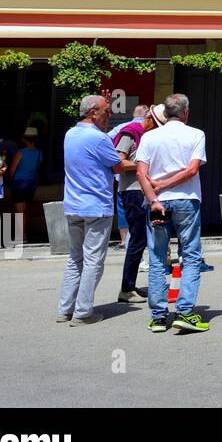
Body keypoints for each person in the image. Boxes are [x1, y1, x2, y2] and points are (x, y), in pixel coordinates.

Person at [134, 93, 210, 334]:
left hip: (157, 203)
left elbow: (140, 173)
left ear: (165, 113)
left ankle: (158, 317)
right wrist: (165, 185)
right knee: (190, 255)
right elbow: (191, 170)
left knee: (157, 258)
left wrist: (154, 197)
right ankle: (185, 311)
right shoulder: (196, 134)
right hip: (187, 200)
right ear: (185, 112)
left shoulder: (149, 137)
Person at [57, 95, 122, 326]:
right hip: (96, 206)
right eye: (106, 111)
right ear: (93, 112)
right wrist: (143, 163)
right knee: (93, 260)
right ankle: (83, 313)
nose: (110, 115)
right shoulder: (99, 138)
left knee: (75, 259)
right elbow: (118, 165)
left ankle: (65, 309)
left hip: (73, 205)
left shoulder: (70, 134)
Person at [114, 106, 158, 303]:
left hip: (145, 191)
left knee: (143, 239)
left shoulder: (149, 136)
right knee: (138, 238)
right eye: (155, 124)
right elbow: (119, 163)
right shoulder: (130, 133)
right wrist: (143, 163)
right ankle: (126, 288)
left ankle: (130, 285)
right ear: (148, 119)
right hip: (131, 191)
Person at [4, 126, 42, 224]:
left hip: (19, 184)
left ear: (24, 139)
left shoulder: (21, 153)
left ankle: (21, 236)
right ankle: (23, 235)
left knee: (19, 212)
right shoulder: (39, 153)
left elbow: (12, 169)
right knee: (25, 211)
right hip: (31, 184)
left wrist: (10, 181)